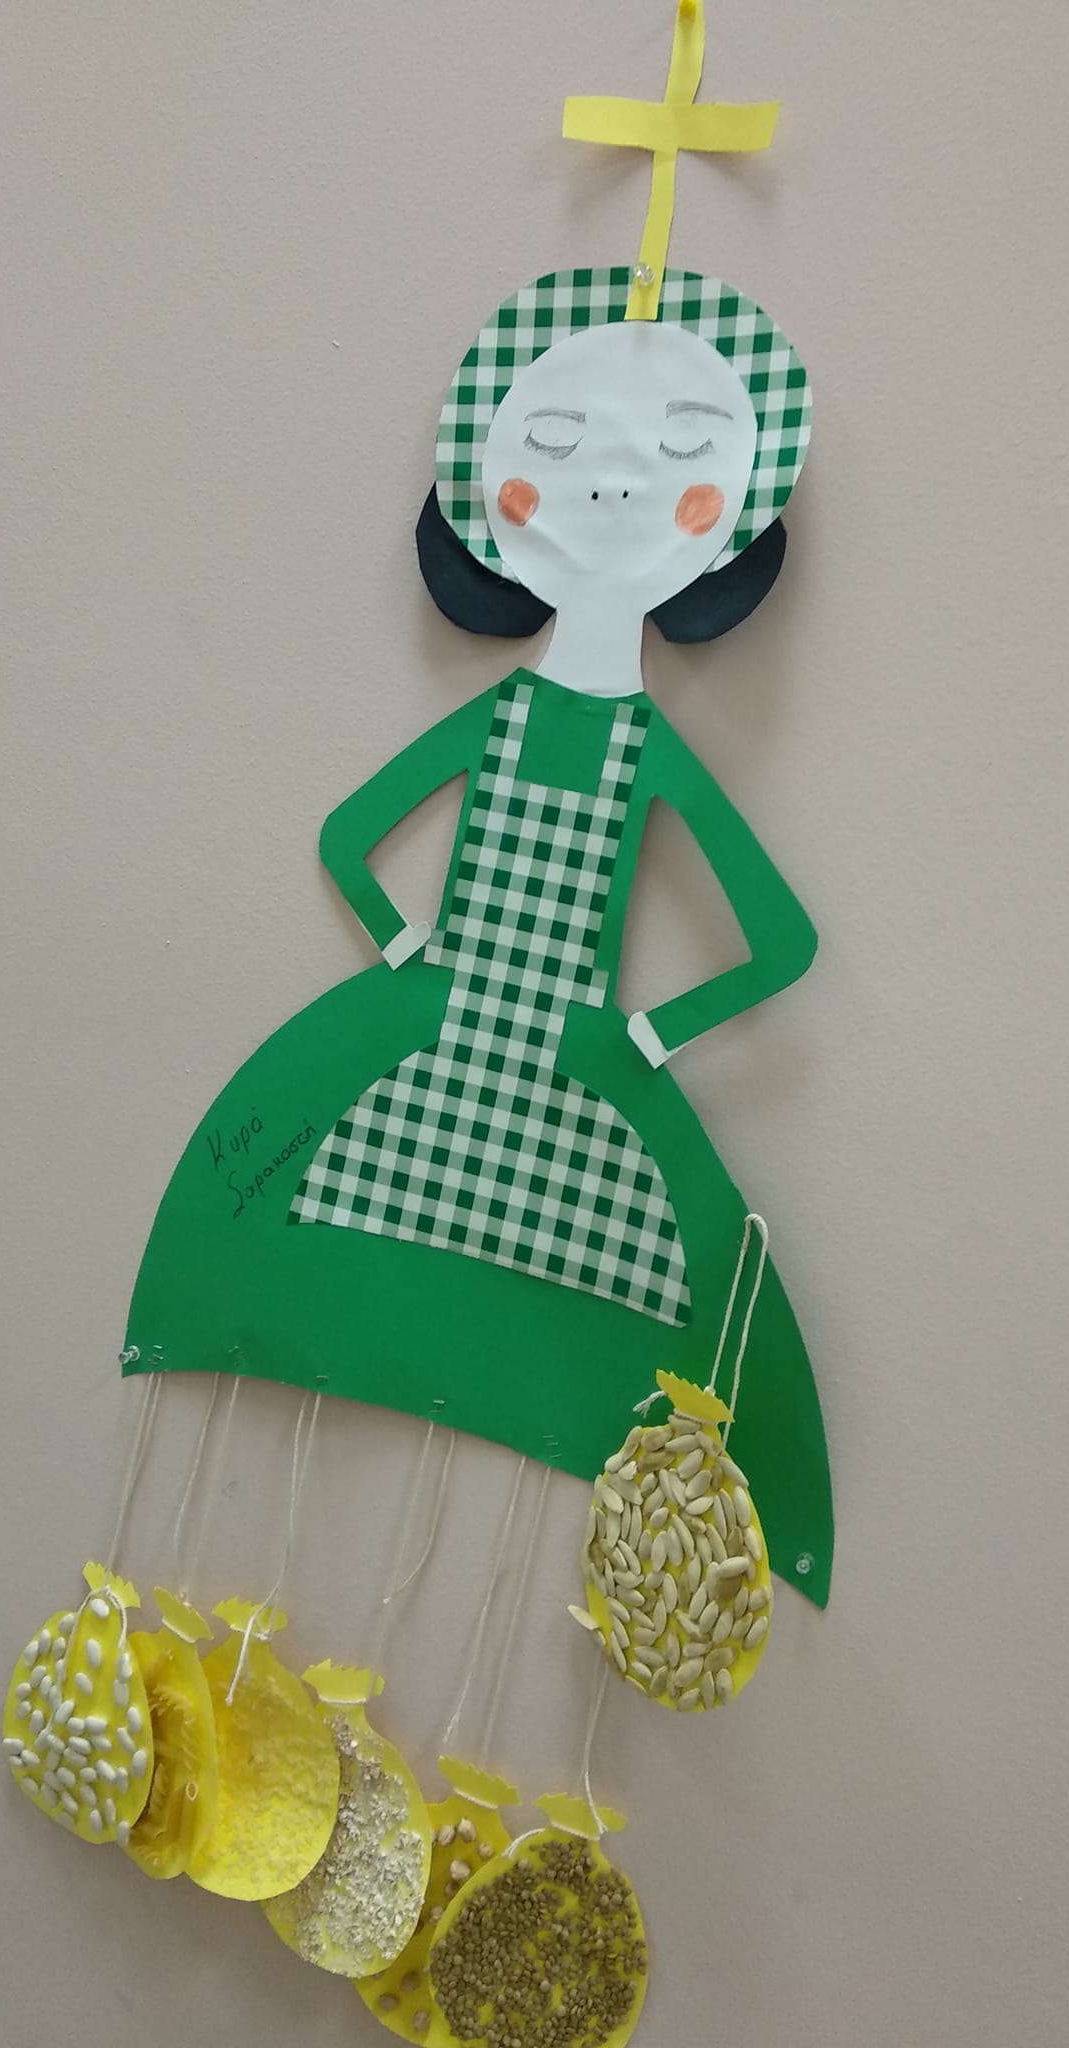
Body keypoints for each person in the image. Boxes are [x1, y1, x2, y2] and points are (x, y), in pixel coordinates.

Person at [125, 268, 834, 1604]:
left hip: (572, 1067)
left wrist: (647, 1036)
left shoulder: (644, 749)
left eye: (677, 455)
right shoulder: (506, 718)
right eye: (557, 446)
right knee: (308, 1215)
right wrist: (411, 961)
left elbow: (781, 941)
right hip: (443, 1036)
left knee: (624, 1299)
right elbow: (350, 837)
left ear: (724, 528)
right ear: (492, 507)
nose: (611, 485)